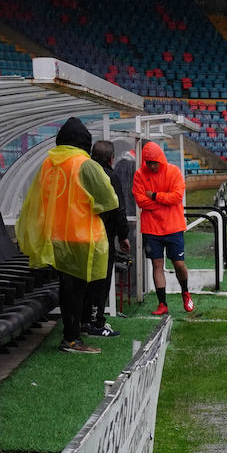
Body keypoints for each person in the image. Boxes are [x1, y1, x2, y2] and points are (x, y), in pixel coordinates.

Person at [15, 117, 117, 354]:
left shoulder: (48, 163)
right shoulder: (85, 164)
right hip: (81, 236)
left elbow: (38, 200)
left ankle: (73, 334)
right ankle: (72, 338)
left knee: (67, 286)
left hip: (57, 235)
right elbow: (109, 200)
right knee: (78, 287)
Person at [132, 141, 193, 315]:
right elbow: (140, 200)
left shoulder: (173, 171)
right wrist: (163, 202)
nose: (151, 166)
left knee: (178, 263)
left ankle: (185, 292)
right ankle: (162, 304)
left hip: (173, 226)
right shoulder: (139, 175)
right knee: (156, 264)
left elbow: (177, 197)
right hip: (152, 228)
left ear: (160, 159)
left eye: (154, 162)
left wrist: (155, 196)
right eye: (148, 163)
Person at [83, 140, 131, 337]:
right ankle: (96, 322)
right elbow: (118, 208)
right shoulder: (110, 177)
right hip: (103, 238)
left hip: (80, 236)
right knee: (100, 281)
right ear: (111, 158)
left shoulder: (82, 174)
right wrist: (124, 236)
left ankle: (84, 320)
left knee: (84, 281)